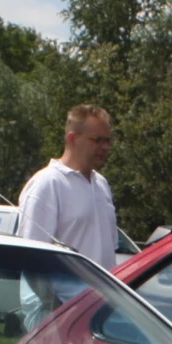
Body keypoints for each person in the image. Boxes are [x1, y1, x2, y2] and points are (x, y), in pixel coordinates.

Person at [17, 104, 120, 265]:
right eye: (98, 140)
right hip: (65, 291)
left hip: (103, 289)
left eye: (107, 141)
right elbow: (30, 256)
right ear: (72, 138)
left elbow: (110, 249)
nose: (105, 147)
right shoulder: (48, 184)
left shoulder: (101, 184)